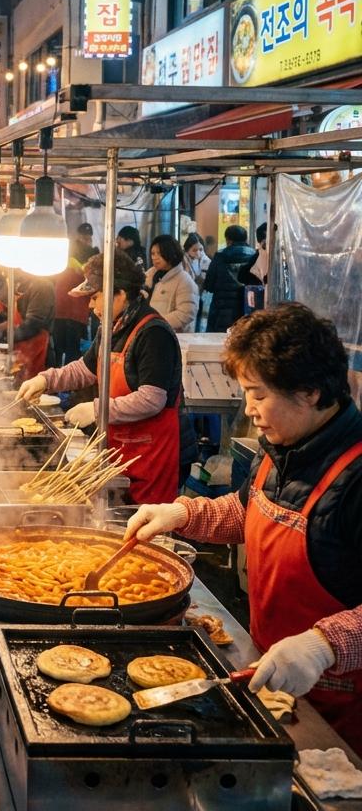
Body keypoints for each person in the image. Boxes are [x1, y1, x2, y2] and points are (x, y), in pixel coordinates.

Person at [125, 303, 362, 751]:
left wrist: (324, 645)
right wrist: (182, 515)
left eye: (258, 393)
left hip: (342, 717)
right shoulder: (282, 447)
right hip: (272, 682)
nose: (248, 409)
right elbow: (247, 511)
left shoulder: (356, 475)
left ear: (310, 391)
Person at [19, 252, 182, 504]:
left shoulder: (153, 333)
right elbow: (86, 369)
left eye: (95, 297)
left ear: (120, 294)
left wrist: (97, 410)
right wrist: (46, 380)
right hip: (119, 450)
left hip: (149, 458)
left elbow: (152, 399)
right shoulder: (111, 327)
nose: (91, 306)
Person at [0, 272, 55, 382]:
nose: (5, 273)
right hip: (21, 355)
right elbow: (16, 320)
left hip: (37, 355)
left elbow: (32, 325)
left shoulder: (42, 287)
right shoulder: (23, 284)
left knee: (35, 394)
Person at [203, 225, 258, 332]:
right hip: (247, 310)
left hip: (221, 312)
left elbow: (209, 285)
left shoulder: (220, 256)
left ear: (228, 240)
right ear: (246, 239)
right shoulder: (254, 256)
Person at [145, 234, 199, 333]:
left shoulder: (184, 280)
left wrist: (157, 323)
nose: (155, 258)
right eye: (152, 253)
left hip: (172, 337)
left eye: (159, 253)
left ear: (171, 254)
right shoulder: (148, 276)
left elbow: (186, 313)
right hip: (149, 333)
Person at [54, 245, 92, 366]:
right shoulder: (85, 271)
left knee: (58, 351)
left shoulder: (59, 264)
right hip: (76, 315)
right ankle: (69, 384)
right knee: (73, 353)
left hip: (58, 312)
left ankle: (55, 380)